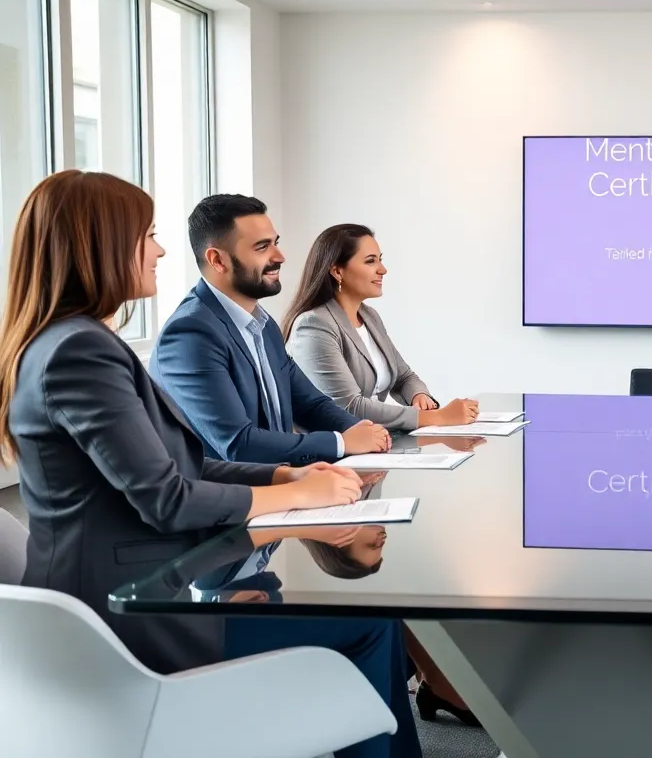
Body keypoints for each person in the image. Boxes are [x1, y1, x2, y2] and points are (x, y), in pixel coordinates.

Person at [0, 170, 422, 758]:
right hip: (124, 623)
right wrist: (297, 500)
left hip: (137, 595)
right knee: (371, 627)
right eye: (147, 234)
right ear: (100, 244)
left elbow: (189, 462)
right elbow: (167, 497)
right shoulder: (80, 351)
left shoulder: (75, 341)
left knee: (367, 623)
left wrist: (289, 476)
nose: (162, 250)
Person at [151, 194, 391, 466]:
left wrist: (361, 430)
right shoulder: (190, 334)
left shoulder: (262, 325)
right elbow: (239, 444)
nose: (280, 256)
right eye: (262, 247)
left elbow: (309, 403)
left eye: (275, 243)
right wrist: (342, 442)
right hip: (236, 499)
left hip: (281, 484)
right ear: (217, 260)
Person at [282, 223, 479, 431]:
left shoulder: (369, 316)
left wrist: (419, 396)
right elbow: (349, 407)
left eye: (380, 259)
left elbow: (404, 377)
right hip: (332, 455)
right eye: (370, 261)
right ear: (337, 271)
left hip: (374, 443)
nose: (382, 270)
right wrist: (436, 417)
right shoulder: (314, 326)